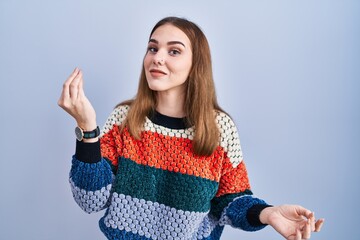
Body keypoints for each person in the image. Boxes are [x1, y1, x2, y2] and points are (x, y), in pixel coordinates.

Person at [58, 16, 324, 240]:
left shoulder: (220, 129)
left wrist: (268, 213)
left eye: (173, 51)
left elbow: (230, 201)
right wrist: (87, 128)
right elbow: (90, 199)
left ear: (195, 65)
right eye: (153, 48)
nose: (157, 58)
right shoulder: (124, 120)